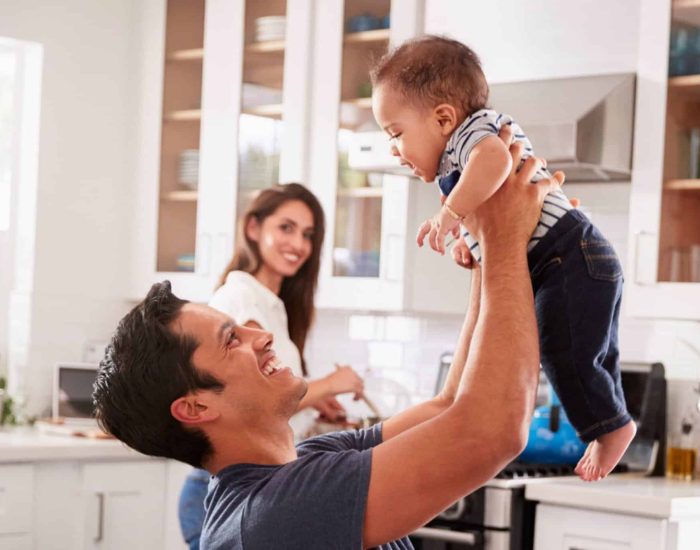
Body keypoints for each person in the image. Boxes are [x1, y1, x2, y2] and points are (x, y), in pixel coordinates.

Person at [93, 128, 562, 549]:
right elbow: (491, 429)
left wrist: (487, 248)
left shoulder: (303, 462)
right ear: (195, 408)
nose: (258, 334)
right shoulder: (277, 512)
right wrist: (504, 237)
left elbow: (448, 406)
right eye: (231, 339)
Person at [370, 35, 635, 482]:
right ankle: (612, 421)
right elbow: (496, 217)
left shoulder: (475, 134)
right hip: (576, 257)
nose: (393, 150)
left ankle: (610, 428)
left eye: (396, 134)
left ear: (443, 117)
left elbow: (495, 162)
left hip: (566, 254)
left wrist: (451, 213)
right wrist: (468, 243)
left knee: (563, 350)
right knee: (594, 354)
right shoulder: (457, 160)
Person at [178, 183, 365, 549]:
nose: (298, 244)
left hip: (257, 486)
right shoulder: (240, 296)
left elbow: (270, 393)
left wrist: (314, 401)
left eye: (308, 234)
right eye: (286, 227)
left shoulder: (271, 304)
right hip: (224, 490)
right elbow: (254, 399)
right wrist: (330, 383)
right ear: (253, 228)